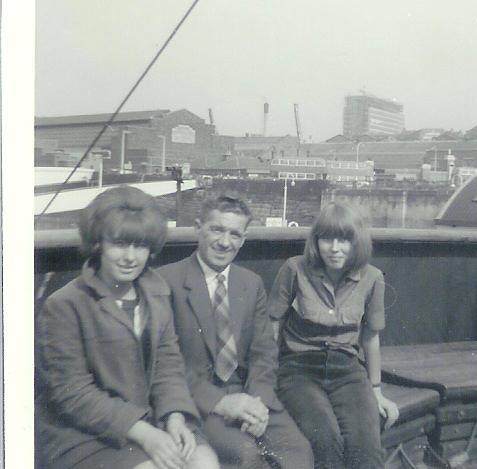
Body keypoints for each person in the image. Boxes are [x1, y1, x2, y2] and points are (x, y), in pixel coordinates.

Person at [37, 185, 219, 469]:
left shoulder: (157, 293)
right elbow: (73, 394)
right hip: (86, 434)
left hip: (153, 418)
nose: (131, 257)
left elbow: (167, 367)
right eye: (120, 244)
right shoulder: (66, 304)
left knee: (204, 462)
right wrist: (146, 435)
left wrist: (175, 416)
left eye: (141, 246)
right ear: (98, 244)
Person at [158, 192, 313, 469]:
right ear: (198, 228)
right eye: (216, 229)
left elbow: (264, 353)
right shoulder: (167, 282)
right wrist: (221, 402)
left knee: (298, 452)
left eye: (234, 234)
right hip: (201, 400)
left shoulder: (250, 284)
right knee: (243, 456)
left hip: (250, 395)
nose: (224, 242)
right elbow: (165, 363)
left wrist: (259, 403)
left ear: (243, 238)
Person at [268, 202, 400, 469]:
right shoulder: (294, 269)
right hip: (298, 371)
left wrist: (376, 391)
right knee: (325, 439)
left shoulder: (372, 278)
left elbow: (370, 338)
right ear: (316, 241)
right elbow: (272, 326)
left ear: (357, 242)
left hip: (348, 372)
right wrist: (266, 380)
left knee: (366, 444)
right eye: (327, 238)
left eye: (344, 239)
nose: (335, 248)